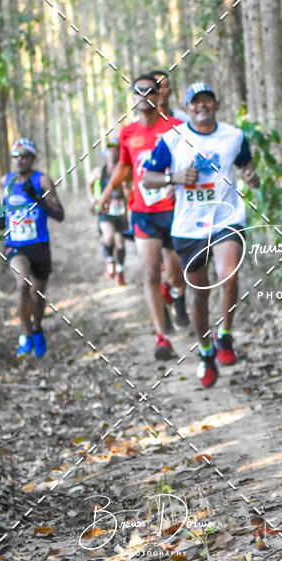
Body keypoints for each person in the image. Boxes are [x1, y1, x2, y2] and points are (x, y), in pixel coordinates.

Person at [142, 81, 259, 387]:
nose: (201, 106)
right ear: (188, 108)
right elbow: (148, 179)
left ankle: (226, 335)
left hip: (226, 219)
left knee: (228, 274)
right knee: (199, 294)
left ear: (216, 105)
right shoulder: (172, 139)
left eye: (207, 100)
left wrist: (251, 175)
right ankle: (206, 351)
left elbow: (247, 166)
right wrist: (175, 177)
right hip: (188, 226)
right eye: (195, 102)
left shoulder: (234, 136)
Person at [99, 74, 186, 360]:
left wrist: (176, 184)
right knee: (149, 272)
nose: (143, 96)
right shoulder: (127, 133)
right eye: (137, 92)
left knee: (176, 275)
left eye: (148, 91)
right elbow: (124, 167)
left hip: (172, 210)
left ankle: (174, 293)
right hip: (142, 211)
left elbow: (187, 164)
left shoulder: (175, 127)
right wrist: (107, 191)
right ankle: (162, 338)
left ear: (159, 95)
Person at [2, 138, 65, 358]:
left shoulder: (43, 180)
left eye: (25, 156)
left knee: (37, 296)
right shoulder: (5, 181)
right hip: (15, 246)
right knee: (22, 284)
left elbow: (59, 215)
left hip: (39, 245)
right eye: (16, 156)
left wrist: (37, 198)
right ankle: (26, 336)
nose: (19, 160)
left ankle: (37, 329)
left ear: (33, 158)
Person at [149, 68, 189, 327]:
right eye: (155, 87)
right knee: (153, 267)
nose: (160, 91)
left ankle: (178, 298)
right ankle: (164, 314)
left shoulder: (183, 121)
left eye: (164, 86)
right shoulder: (138, 125)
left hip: (179, 204)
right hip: (149, 207)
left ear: (170, 90)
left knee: (176, 268)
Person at [90, 140, 128, 284]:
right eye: (109, 150)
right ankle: (109, 259)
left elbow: (130, 193)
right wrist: (93, 200)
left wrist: (126, 188)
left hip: (121, 212)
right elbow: (90, 184)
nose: (112, 152)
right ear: (105, 154)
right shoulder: (99, 171)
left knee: (120, 243)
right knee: (108, 236)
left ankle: (120, 270)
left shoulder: (125, 170)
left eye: (115, 149)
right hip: (105, 211)